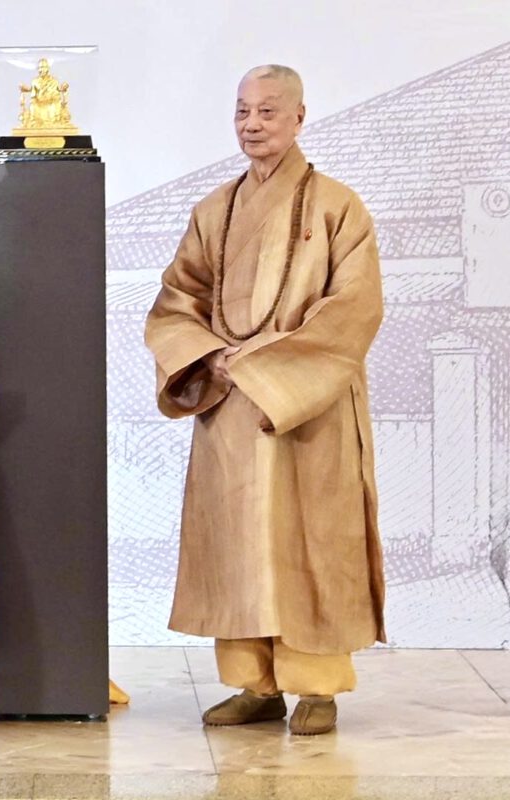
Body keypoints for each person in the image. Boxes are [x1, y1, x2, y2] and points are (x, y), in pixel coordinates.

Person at [143, 65, 386, 736]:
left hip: (307, 406)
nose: (252, 124)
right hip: (229, 402)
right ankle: (255, 684)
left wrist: (270, 369)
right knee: (238, 544)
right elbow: (176, 300)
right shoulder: (212, 211)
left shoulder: (338, 207)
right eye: (242, 111)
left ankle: (316, 686)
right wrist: (212, 357)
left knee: (311, 543)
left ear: (299, 117)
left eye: (267, 111)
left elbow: (354, 309)